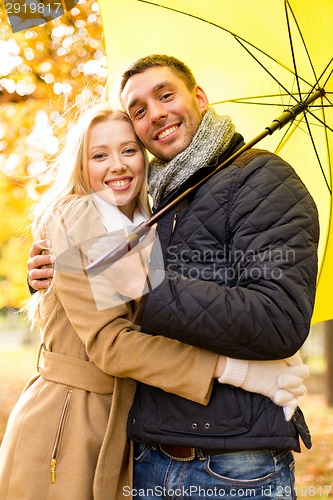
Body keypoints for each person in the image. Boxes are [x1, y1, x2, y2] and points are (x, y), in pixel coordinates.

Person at [0, 102, 306, 500]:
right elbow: (115, 344)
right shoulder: (80, 215)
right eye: (99, 155)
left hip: (120, 422)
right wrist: (242, 372)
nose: (118, 166)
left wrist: (268, 349)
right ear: (80, 165)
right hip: (68, 422)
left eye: (129, 151)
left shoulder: (141, 225)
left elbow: (168, 308)